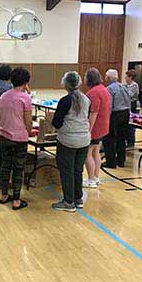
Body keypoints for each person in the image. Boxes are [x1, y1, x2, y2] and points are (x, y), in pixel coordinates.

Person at [52, 72, 91, 212]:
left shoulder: (65, 100)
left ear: (65, 83)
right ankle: (78, 198)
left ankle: (68, 202)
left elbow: (56, 122)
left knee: (66, 170)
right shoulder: (86, 99)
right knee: (77, 170)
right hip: (84, 139)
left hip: (68, 140)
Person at [0, 67, 32, 210]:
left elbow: (1, 117)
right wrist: (29, 131)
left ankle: (4, 195)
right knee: (18, 168)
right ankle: (17, 200)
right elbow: (28, 122)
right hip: (19, 138)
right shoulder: (25, 98)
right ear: (26, 82)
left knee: (5, 165)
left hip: (4, 135)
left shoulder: (3, 96)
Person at [83, 68, 111, 188]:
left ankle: (90, 178)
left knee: (87, 153)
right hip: (103, 125)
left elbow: (93, 112)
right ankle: (95, 177)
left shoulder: (93, 93)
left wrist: (88, 130)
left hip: (95, 126)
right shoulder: (104, 89)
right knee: (96, 152)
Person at [102, 69, 131, 169]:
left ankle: (111, 162)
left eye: (106, 76)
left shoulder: (109, 89)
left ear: (109, 78)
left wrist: (106, 118)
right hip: (125, 113)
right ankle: (121, 161)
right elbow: (129, 101)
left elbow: (109, 105)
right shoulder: (123, 86)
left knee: (109, 139)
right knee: (121, 139)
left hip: (115, 114)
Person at [124, 70, 140, 147]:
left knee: (131, 125)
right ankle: (126, 139)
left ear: (130, 77)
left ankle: (131, 141)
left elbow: (129, 95)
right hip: (127, 106)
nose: (125, 78)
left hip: (134, 106)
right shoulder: (125, 85)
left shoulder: (134, 85)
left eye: (126, 76)